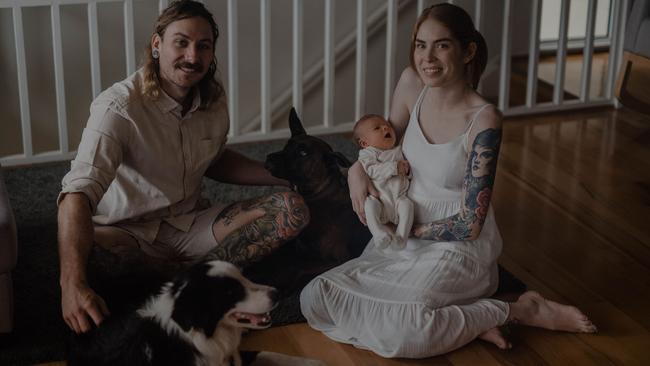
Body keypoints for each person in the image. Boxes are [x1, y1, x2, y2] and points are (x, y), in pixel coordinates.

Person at [300, 3, 596, 358]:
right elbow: (383, 143)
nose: (427, 57)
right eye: (420, 45)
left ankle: (519, 310)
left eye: (441, 45)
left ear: (468, 50)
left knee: (406, 329)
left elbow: (471, 224)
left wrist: (406, 230)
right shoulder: (412, 84)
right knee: (315, 297)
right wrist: (356, 170)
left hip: (455, 247)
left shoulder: (484, 119)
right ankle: (472, 322)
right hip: (403, 238)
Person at [57, 0, 309, 334]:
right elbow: (75, 195)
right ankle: (206, 281)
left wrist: (284, 176)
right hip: (127, 232)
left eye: (203, 46)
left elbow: (214, 159)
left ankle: (181, 284)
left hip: (192, 225)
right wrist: (70, 285)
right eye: (182, 42)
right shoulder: (117, 108)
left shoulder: (213, 101)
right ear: (157, 44)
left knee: (291, 210)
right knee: (96, 257)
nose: (193, 56)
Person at [352, 114, 413, 250]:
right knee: (369, 204)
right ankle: (378, 233)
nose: (385, 127)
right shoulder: (368, 154)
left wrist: (407, 171)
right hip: (379, 199)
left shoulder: (398, 150)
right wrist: (394, 168)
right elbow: (371, 171)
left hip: (398, 199)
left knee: (407, 205)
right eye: (377, 128)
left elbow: (409, 174)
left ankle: (401, 237)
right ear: (364, 143)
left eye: (387, 125)